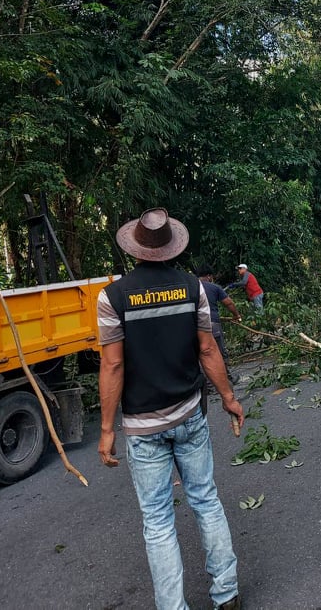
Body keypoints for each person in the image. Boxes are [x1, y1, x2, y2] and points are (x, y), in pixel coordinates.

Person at [97, 208, 243, 610]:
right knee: (206, 500)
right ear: (170, 248)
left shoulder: (112, 297)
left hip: (142, 427)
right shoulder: (192, 287)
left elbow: (112, 364)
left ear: (136, 249)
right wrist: (229, 398)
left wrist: (107, 429)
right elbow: (208, 348)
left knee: (158, 522)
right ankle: (227, 594)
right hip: (189, 414)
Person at [196, 262, 243, 385]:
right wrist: (236, 315)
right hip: (212, 324)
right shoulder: (214, 287)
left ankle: (207, 384)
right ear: (209, 276)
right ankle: (227, 379)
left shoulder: (190, 288)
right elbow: (229, 303)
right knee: (219, 352)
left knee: (200, 354)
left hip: (195, 326)